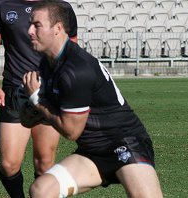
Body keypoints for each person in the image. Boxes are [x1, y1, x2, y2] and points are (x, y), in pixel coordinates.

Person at [23, 2, 163, 197]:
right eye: (30, 24)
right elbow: (29, 118)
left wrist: (37, 101)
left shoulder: (76, 70)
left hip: (125, 142)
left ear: (57, 28)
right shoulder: (48, 63)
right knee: (41, 190)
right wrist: (29, 107)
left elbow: (71, 131)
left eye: (37, 25)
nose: (29, 30)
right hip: (93, 151)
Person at [0, 0, 77, 197]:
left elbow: (72, 52)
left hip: (50, 93)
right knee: (9, 164)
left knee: (44, 163)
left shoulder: (62, 7)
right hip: (15, 92)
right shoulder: (1, 6)